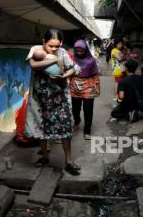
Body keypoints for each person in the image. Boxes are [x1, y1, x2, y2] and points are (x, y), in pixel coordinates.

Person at [25, 29, 81, 175]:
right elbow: (33, 65)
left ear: (61, 43)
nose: (55, 49)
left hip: (60, 97)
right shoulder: (35, 50)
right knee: (42, 127)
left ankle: (68, 161)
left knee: (65, 127)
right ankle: (44, 157)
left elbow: (74, 68)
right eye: (51, 46)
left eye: (57, 45)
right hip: (40, 98)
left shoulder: (63, 52)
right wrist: (54, 59)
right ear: (44, 42)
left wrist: (63, 76)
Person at [69, 40, 100, 140]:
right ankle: (77, 120)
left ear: (85, 50)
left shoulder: (91, 61)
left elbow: (95, 75)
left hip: (88, 87)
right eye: (77, 51)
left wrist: (98, 88)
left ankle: (87, 130)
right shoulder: (71, 59)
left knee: (88, 110)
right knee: (75, 109)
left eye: (81, 51)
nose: (79, 53)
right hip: (74, 87)